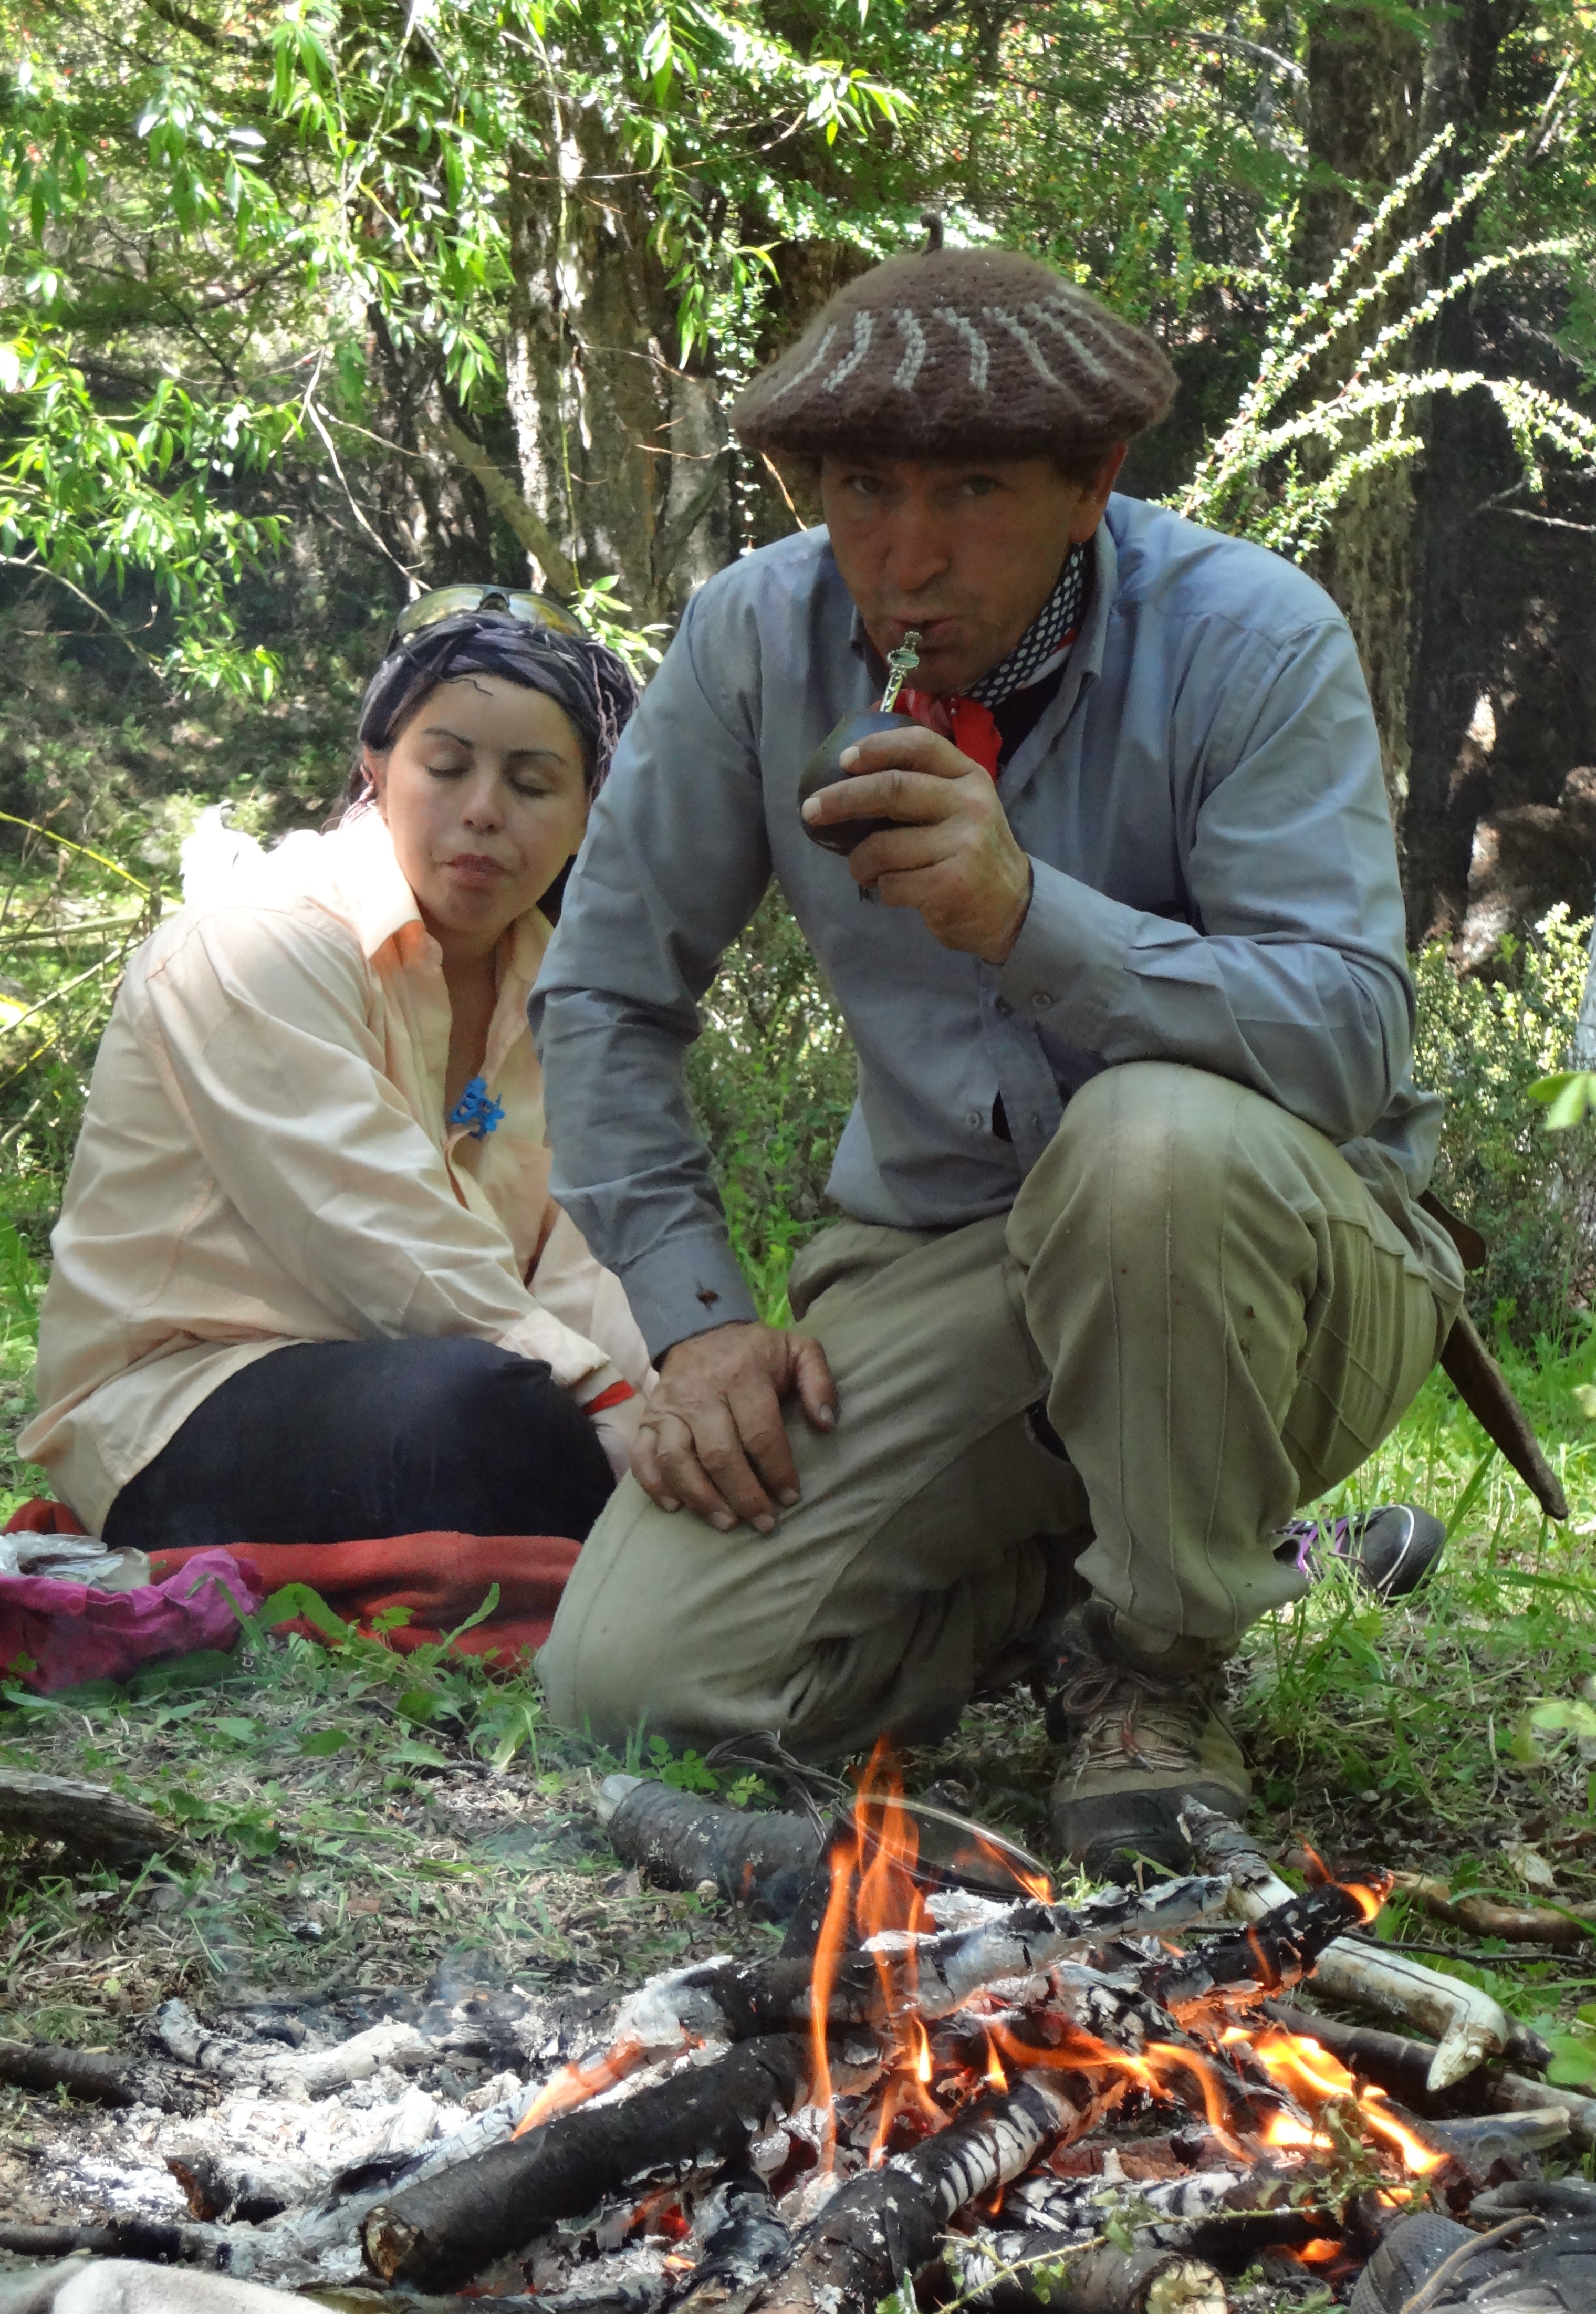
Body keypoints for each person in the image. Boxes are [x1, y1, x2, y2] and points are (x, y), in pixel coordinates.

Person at [530, 244, 1467, 1879]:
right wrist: (697, 1323)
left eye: (971, 491)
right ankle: (1072, 1583)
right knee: (637, 1688)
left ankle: (1155, 1667)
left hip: (1279, 1268)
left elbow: (1347, 1036)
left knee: (1147, 1146)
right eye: (863, 491)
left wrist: (1031, 919)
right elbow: (606, 992)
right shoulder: (753, 640)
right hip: (954, 1269)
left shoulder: (1252, 639)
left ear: (1092, 483)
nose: (907, 557)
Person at [23, 590, 648, 1550]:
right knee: (476, 1414)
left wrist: (664, 1398)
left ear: (587, 814)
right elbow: (369, 1226)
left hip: (464, 1365)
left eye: (532, 785)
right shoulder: (257, 940)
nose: (483, 812)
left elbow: (589, 1256)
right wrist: (602, 1396)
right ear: (376, 769)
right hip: (181, 1400)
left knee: (724, 1412)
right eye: (446, 767)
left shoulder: (566, 993)